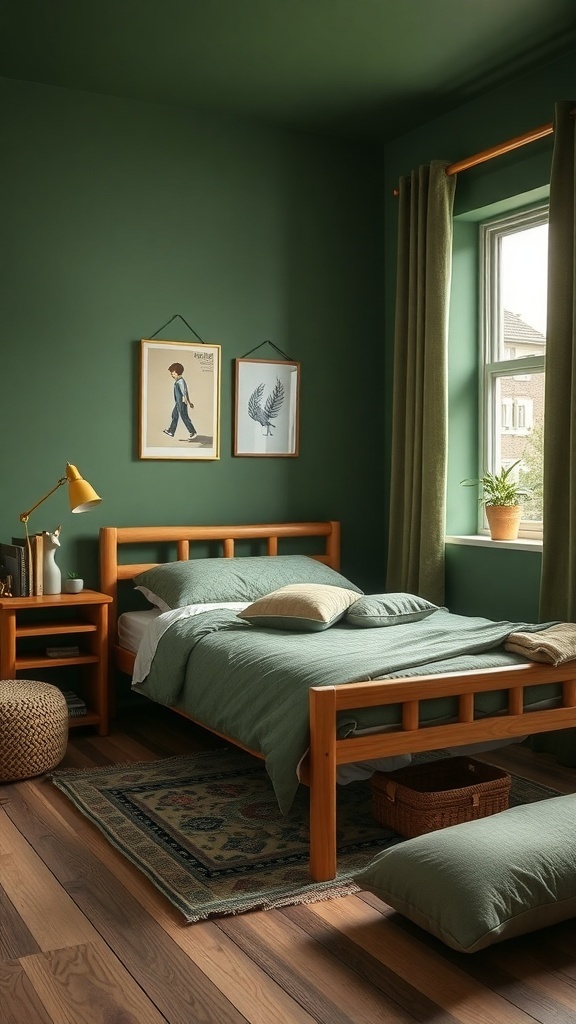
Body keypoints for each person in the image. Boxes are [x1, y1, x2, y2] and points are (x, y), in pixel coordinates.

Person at [163, 362, 198, 440]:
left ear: (177, 373)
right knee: (174, 415)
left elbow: (184, 391)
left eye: (173, 373)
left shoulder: (180, 381)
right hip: (179, 403)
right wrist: (189, 402)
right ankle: (171, 431)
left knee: (184, 416)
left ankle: (192, 431)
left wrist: (187, 401)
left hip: (182, 402)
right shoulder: (178, 381)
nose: (172, 375)